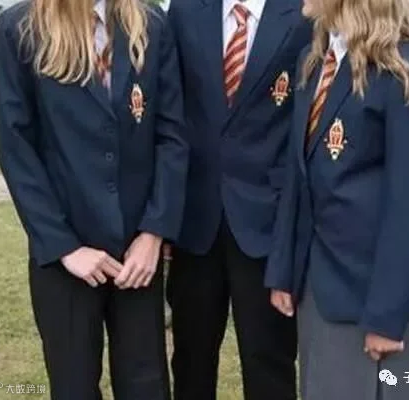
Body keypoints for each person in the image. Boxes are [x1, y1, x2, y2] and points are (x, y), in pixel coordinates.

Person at [0, 0, 188, 398]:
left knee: (146, 384)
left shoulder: (149, 23)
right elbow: (17, 150)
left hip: (136, 255)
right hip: (65, 257)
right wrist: (65, 247)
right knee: (74, 385)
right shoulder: (21, 28)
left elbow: (171, 137)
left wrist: (153, 233)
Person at [265, 0, 409, 399]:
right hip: (321, 287)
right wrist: (284, 269)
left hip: (378, 297)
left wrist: (387, 316)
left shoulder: (408, 70)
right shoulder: (314, 62)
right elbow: (297, 177)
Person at [165, 0, 310, 398]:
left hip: (267, 222)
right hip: (196, 222)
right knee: (191, 360)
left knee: (269, 361)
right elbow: (170, 110)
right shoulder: (185, 11)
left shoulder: (303, 15)